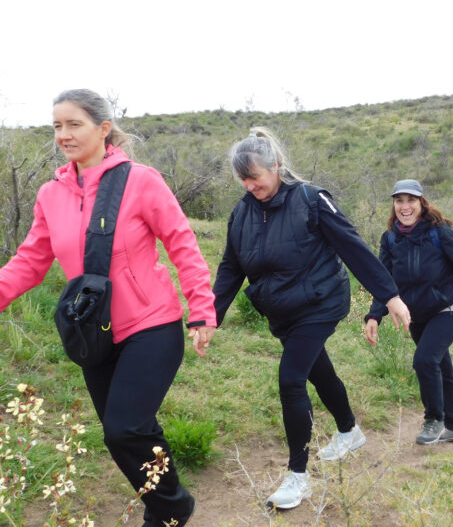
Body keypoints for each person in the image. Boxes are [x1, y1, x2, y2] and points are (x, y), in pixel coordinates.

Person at [0, 89, 216, 527]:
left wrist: (201, 307)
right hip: (92, 330)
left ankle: (171, 507)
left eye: (73, 124)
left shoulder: (141, 180)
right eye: (57, 125)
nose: (63, 134)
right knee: (124, 433)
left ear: (102, 129)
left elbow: (182, 242)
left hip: (150, 323)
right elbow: (30, 260)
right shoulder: (50, 194)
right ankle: (164, 502)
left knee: (125, 428)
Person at [212, 128, 410, 511]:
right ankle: (349, 431)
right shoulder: (242, 212)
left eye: (256, 177)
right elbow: (231, 266)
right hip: (282, 309)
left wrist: (390, 297)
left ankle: (297, 477)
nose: (251, 186)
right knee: (317, 370)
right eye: (244, 179)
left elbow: (353, 248)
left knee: (291, 378)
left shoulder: (311, 199)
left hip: (321, 301)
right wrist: (209, 316)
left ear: (277, 166)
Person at [364, 179, 453, 446]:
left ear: (421, 203)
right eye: (399, 201)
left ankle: (434, 419)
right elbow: (384, 279)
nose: (405, 206)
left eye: (410, 200)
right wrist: (374, 315)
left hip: (450, 306)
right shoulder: (391, 238)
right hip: (417, 313)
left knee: (425, 361)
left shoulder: (440, 233)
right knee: (440, 366)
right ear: (394, 205)